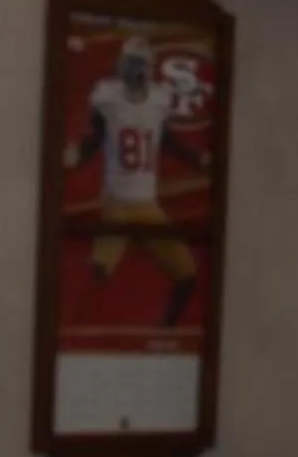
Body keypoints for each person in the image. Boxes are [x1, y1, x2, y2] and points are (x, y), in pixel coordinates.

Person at [66, 35, 202, 329]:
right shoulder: (109, 97)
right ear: (121, 66)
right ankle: (83, 333)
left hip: (147, 206)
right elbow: (96, 139)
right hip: (117, 204)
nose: (137, 71)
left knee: (187, 275)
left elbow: (167, 141)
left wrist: (199, 159)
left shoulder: (158, 101)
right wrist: (74, 157)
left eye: (141, 64)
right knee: (96, 274)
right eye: (132, 64)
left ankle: (163, 335)